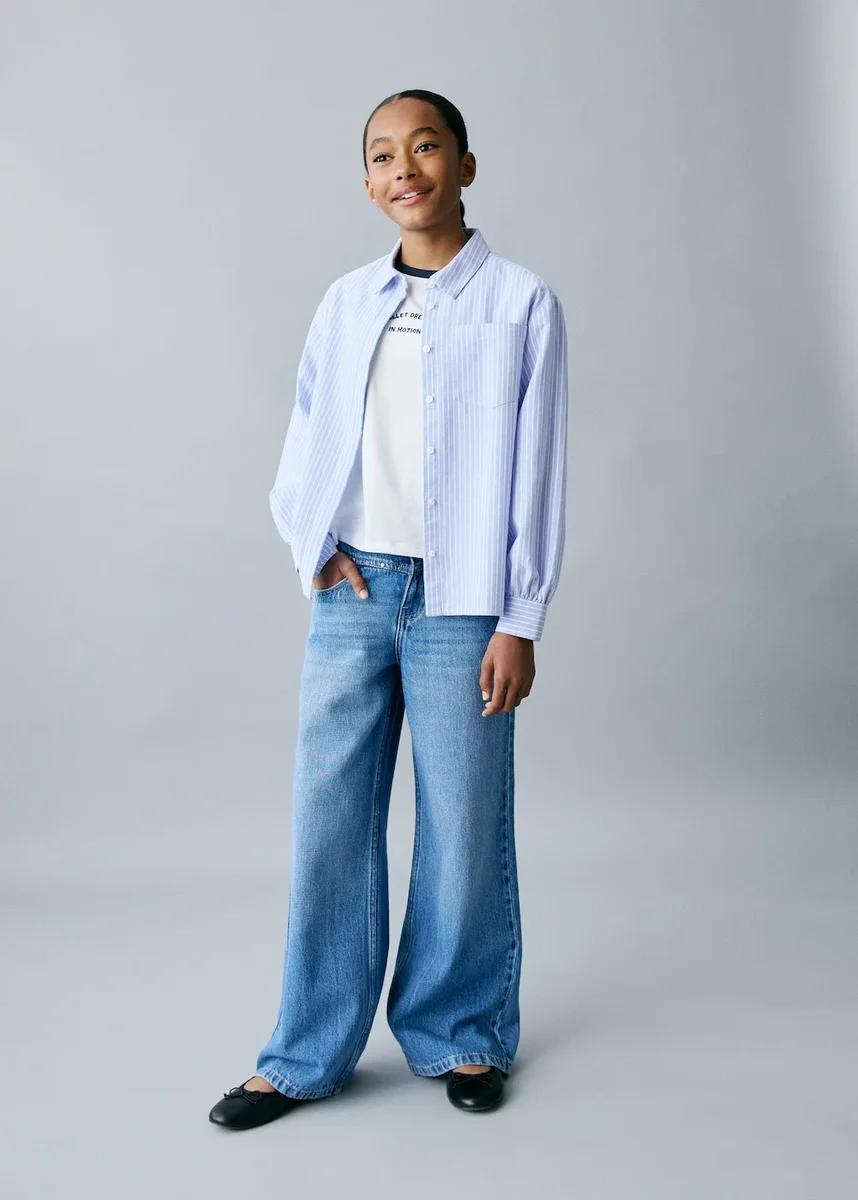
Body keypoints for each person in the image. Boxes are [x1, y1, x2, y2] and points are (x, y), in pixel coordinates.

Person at [209, 88, 568, 1129]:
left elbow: (539, 468)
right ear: (368, 182)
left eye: (425, 146)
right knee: (329, 820)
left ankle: (462, 1033)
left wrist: (521, 617)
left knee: (463, 822)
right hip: (357, 592)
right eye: (381, 154)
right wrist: (311, 542)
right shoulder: (345, 301)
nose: (403, 167)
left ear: (464, 164)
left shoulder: (521, 303)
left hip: (466, 602)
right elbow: (309, 428)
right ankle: (305, 1053)